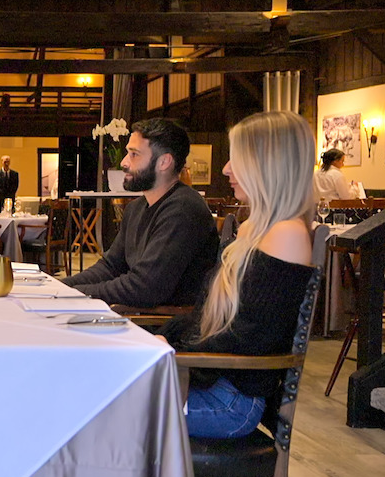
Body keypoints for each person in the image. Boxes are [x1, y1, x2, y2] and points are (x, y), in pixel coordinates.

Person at [158, 111, 317, 438]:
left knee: (97, 409)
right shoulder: (254, 230)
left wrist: (175, 353)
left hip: (229, 404)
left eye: (237, 158)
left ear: (268, 164)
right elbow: (209, 317)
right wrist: (163, 340)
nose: (226, 168)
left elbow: (250, 336)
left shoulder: (287, 235)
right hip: (212, 385)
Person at [61, 118, 218, 308]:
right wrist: (60, 287)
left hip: (162, 327)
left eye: (134, 154)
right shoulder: (136, 208)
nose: (124, 162)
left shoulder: (184, 209)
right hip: (138, 317)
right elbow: (110, 267)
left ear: (164, 162)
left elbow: (144, 288)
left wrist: (74, 294)